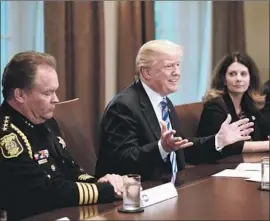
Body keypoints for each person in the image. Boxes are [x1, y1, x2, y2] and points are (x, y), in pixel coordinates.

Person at [95, 40, 254, 181]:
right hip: (138, 192)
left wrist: (219, 140)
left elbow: (182, 149)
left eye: (178, 65)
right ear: (146, 72)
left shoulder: (164, 102)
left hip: (173, 185)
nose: (177, 72)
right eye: (169, 66)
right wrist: (161, 148)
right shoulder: (123, 106)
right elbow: (123, 161)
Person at [0, 52, 124, 220]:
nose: (56, 99)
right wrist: (106, 191)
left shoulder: (46, 121)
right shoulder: (6, 135)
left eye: (55, 91)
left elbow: (71, 169)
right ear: (20, 95)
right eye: (47, 93)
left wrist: (102, 183)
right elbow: (42, 192)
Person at [197, 52, 269, 162]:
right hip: (215, 166)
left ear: (250, 79)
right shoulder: (214, 106)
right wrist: (267, 145)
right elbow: (228, 146)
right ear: (224, 80)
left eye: (243, 74)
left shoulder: (249, 104)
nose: (239, 79)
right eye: (232, 74)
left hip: (243, 163)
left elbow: (263, 132)